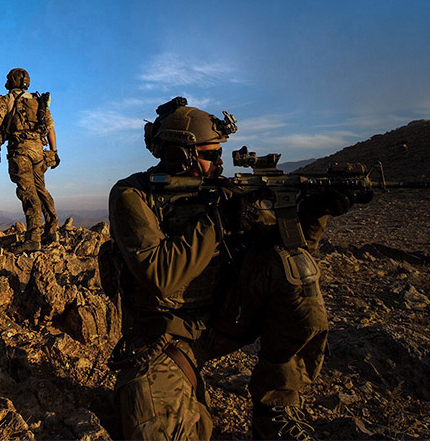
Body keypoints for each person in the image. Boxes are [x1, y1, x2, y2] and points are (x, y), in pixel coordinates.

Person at [104, 97, 344, 440]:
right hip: (164, 336)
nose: (220, 163)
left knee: (295, 269)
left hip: (223, 319)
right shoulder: (133, 195)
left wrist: (314, 213)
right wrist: (219, 222)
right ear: (179, 154)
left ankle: (273, 410)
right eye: (210, 154)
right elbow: (160, 276)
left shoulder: (225, 193)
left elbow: (282, 253)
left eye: (220, 154)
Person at [0, 68, 60, 252]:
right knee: (41, 189)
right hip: (39, 151)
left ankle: (33, 238)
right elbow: (50, 128)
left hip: (21, 151)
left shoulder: (6, 99)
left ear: (10, 81)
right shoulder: (38, 101)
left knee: (28, 192)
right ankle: (51, 230)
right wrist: (54, 151)